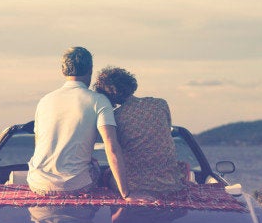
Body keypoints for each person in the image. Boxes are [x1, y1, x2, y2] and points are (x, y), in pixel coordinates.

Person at [27, 47, 131, 199]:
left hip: (37, 183)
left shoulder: (45, 101)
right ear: (90, 69)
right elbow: (111, 147)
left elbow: (39, 142)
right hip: (74, 186)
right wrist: (126, 193)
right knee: (96, 168)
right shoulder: (99, 100)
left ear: (63, 71)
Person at [93, 66, 187, 195]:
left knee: (107, 175)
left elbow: (114, 149)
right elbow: (165, 133)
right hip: (170, 184)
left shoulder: (116, 117)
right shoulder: (160, 104)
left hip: (136, 187)